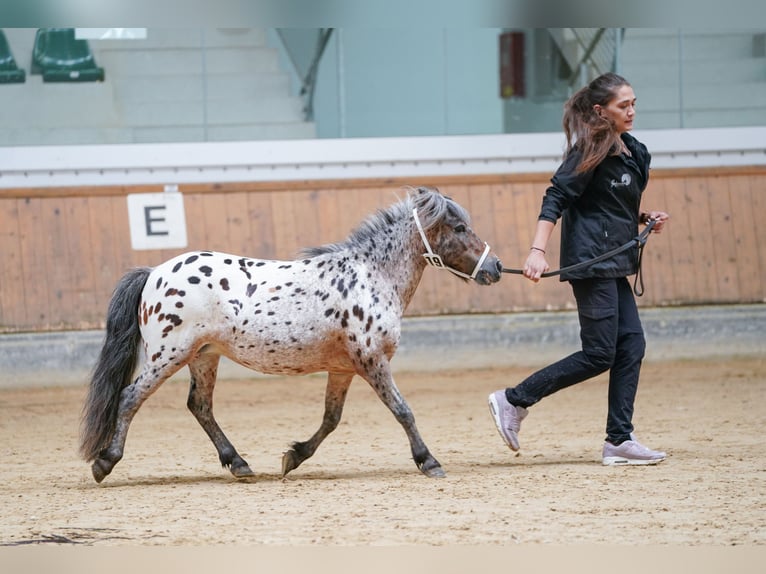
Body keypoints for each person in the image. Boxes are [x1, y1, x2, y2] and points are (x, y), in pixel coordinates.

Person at [488, 72, 669, 466]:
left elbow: (608, 202)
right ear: (601, 111)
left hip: (615, 262)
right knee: (600, 352)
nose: (632, 110)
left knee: (631, 345)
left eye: (634, 103)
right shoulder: (589, 149)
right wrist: (537, 250)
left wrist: (643, 217)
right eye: (624, 105)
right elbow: (556, 197)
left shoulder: (635, 151)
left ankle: (619, 440)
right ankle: (513, 399)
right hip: (591, 262)